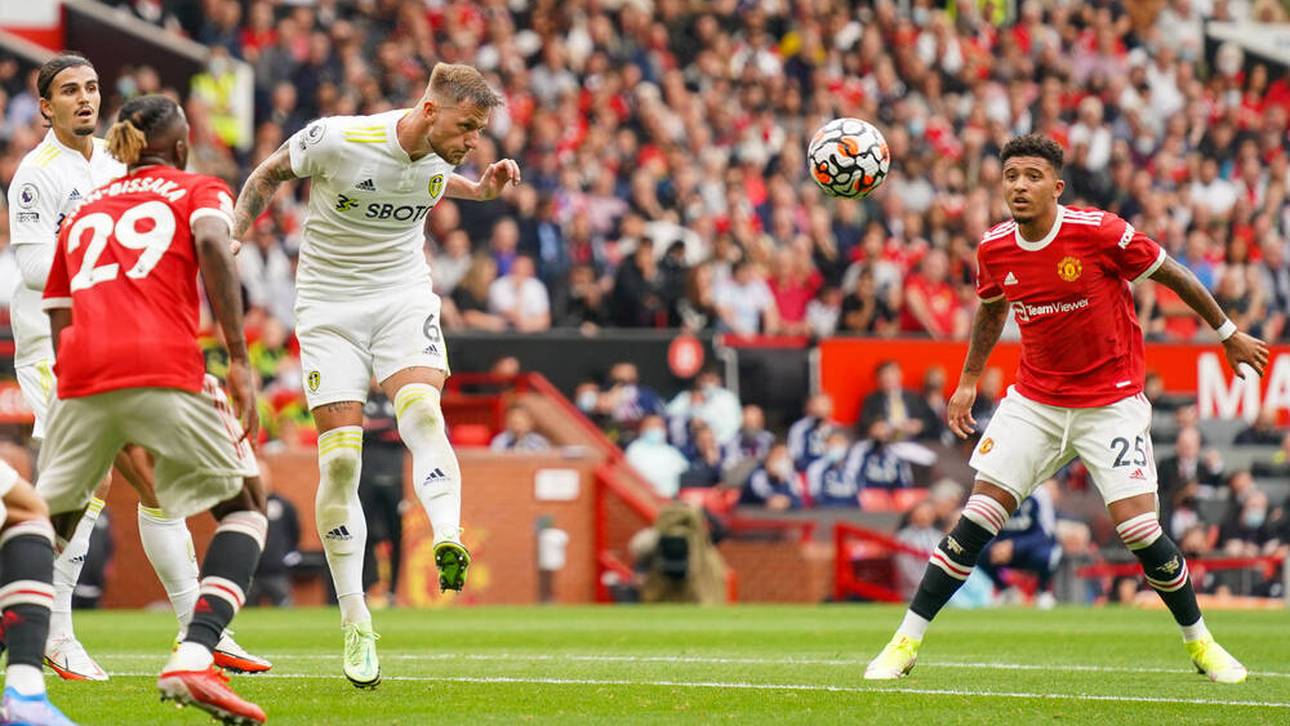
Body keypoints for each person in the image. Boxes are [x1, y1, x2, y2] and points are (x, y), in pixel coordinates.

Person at [866, 134, 1268, 684]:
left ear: (1056, 187)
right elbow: (990, 310)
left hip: (1112, 403)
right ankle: (904, 642)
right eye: (1011, 176)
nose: (1019, 186)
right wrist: (967, 382)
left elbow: (1169, 269)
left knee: (1141, 532)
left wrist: (1227, 333)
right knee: (975, 520)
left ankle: (1201, 645)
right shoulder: (995, 247)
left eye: (1032, 176)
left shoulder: (1097, 232)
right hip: (1035, 402)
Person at [233, 62, 517, 687]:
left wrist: (483, 191)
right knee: (340, 464)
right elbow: (270, 172)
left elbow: (439, 181)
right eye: (467, 127)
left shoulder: (442, 156)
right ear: (428, 109)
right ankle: (356, 619)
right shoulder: (337, 137)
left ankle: (448, 533)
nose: (473, 141)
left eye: (479, 132)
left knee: (421, 410)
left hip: (401, 297)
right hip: (328, 308)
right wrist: (233, 233)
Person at [5, 53, 264, 680]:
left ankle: (195, 627)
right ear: (46, 107)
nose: (84, 99)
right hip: (56, 345)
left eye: (92, 88)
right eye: (69, 91)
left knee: (155, 487)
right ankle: (57, 635)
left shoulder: (115, 165)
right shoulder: (36, 175)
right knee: (88, 489)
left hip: (115, 339)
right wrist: (117, 263)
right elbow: (36, 268)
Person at [976, 480, 1062, 609]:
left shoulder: (1039, 493)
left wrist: (1015, 546)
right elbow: (984, 524)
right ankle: (1005, 590)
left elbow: (1047, 533)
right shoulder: (996, 489)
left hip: (1030, 548)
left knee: (1048, 554)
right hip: (1001, 548)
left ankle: (1043, 591)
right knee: (976, 550)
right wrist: (996, 544)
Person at [624, 415, 690, 499]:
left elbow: (685, 471)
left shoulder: (671, 452)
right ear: (642, 429)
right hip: (641, 497)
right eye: (651, 426)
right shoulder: (635, 448)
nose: (655, 429)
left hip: (669, 500)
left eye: (658, 426)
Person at [739, 442, 802, 511]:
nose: (782, 459)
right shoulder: (758, 474)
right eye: (778, 455)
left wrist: (789, 501)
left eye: (786, 456)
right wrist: (776, 478)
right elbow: (766, 499)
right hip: (752, 516)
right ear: (769, 456)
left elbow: (799, 502)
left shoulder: (792, 476)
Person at [805, 430, 859, 507]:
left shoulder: (853, 466)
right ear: (826, 446)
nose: (836, 446)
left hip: (852, 510)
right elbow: (815, 494)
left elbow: (857, 493)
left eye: (840, 443)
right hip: (827, 510)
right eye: (832, 444)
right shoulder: (817, 467)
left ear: (846, 444)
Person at [787, 393, 836, 472]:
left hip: (829, 471)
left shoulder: (836, 428)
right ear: (809, 407)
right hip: (805, 470)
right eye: (816, 405)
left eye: (824, 404)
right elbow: (794, 454)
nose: (820, 409)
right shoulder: (800, 427)